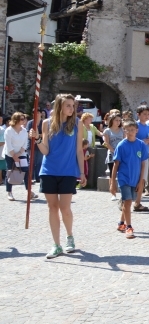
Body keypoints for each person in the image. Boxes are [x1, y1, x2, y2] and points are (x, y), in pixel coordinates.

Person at [30, 94, 86, 258]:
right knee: (52, 207)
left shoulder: (77, 123)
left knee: (65, 208)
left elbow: (78, 150)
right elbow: (46, 151)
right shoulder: (47, 124)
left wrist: (81, 172)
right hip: (49, 171)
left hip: (68, 171)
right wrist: (37, 139)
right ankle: (56, 244)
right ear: (60, 107)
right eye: (68, 105)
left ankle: (70, 237)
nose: (72, 109)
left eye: (72, 106)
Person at [110, 120, 149, 239]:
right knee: (127, 202)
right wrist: (112, 182)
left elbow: (143, 164)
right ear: (124, 130)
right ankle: (129, 227)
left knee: (129, 202)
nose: (130, 132)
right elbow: (116, 165)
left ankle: (121, 223)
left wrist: (141, 180)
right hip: (124, 177)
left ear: (137, 131)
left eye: (133, 130)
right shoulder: (121, 145)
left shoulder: (141, 145)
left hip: (135, 178)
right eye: (128, 130)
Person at [4, 112, 35, 200]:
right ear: (16, 120)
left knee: (26, 171)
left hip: (21, 154)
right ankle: (9, 192)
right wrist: (14, 156)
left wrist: (18, 154)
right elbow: (9, 145)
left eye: (24, 119)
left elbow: (25, 144)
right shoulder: (8, 130)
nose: (24, 121)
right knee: (10, 172)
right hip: (10, 154)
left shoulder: (24, 130)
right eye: (21, 119)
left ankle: (29, 192)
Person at [133, 105, 149, 212]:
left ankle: (138, 203)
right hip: (135, 156)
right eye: (144, 114)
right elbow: (131, 138)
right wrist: (143, 141)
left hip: (145, 155)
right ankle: (125, 200)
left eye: (147, 114)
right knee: (134, 178)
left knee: (143, 179)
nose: (146, 116)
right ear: (138, 114)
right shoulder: (135, 125)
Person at [103, 113, 124, 200]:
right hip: (112, 154)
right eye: (116, 120)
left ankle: (123, 192)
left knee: (122, 173)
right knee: (112, 174)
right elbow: (106, 143)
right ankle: (113, 193)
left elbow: (125, 141)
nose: (118, 122)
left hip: (122, 154)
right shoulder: (107, 131)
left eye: (119, 120)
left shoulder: (122, 130)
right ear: (112, 121)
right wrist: (114, 151)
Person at [27, 111, 46, 187]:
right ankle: (30, 177)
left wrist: (37, 135)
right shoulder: (30, 123)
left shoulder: (43, 122)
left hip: (40, 145)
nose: (37, 114)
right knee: (31, 162)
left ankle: (38, 178)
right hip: (31, 146)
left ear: (41, 113)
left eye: (38, 112)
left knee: (39, 162)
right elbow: (29, 135)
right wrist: (37, 135)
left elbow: (46, 135)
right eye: (35, 113)